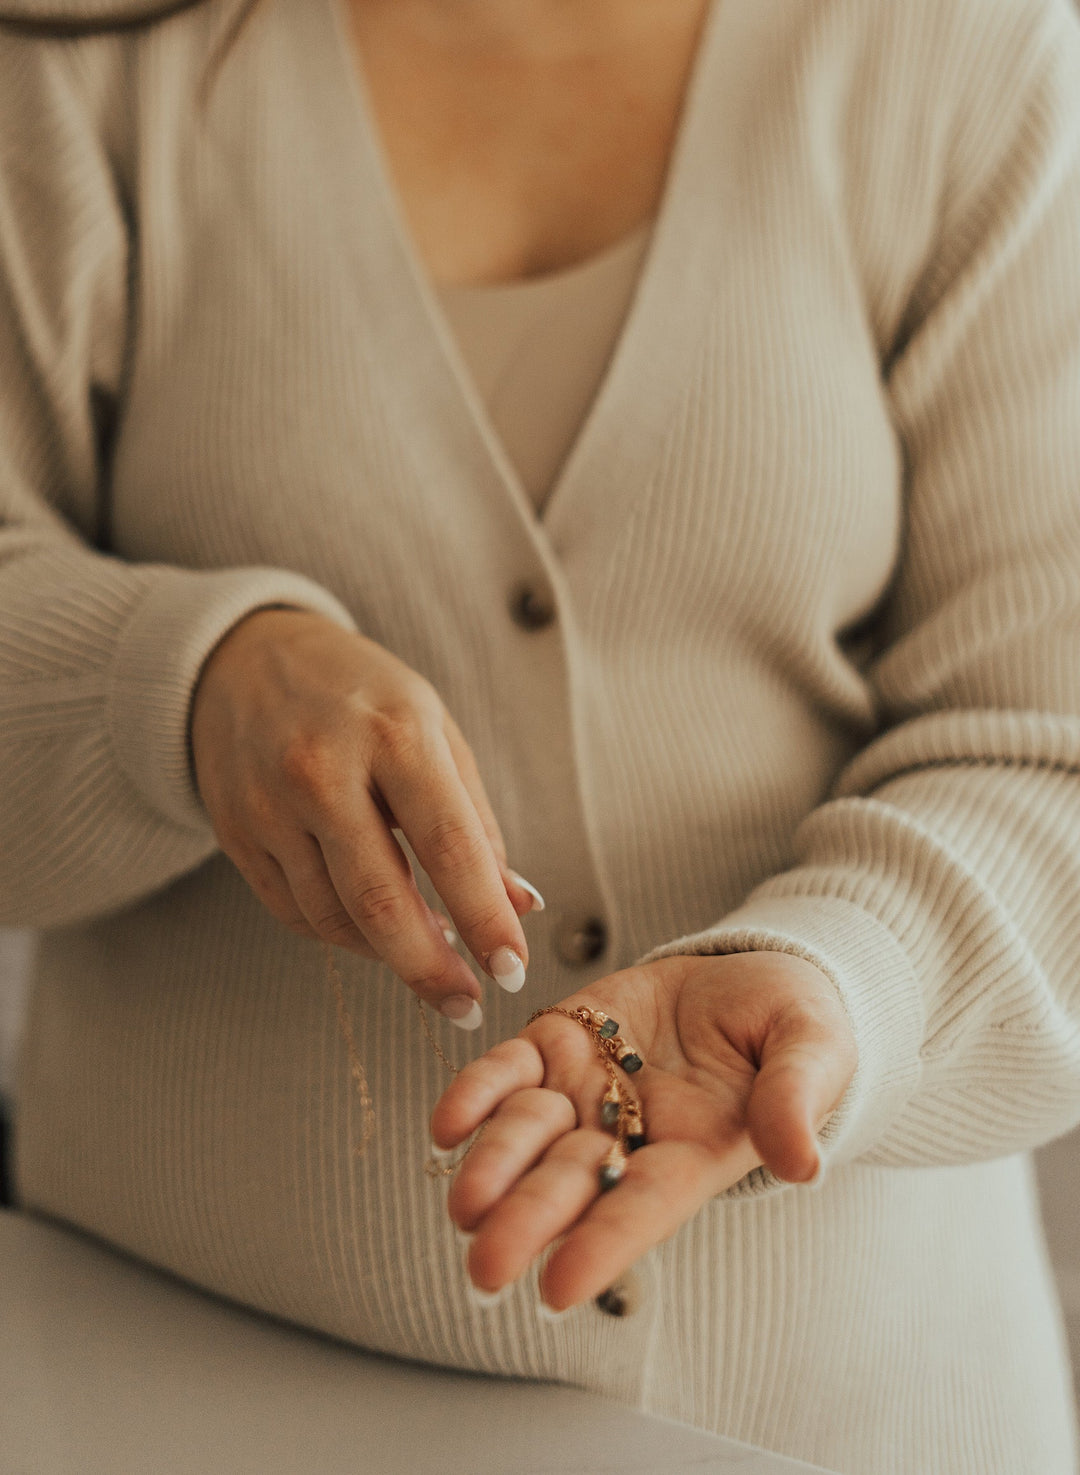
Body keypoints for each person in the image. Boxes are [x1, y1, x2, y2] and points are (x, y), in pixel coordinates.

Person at [1, 0, 1079, 1469]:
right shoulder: (80, 63)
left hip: (857, 1423)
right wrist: (182, 687)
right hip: (160, 1394)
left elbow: (1051, 748)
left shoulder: (966, 49)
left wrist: (849, 980)